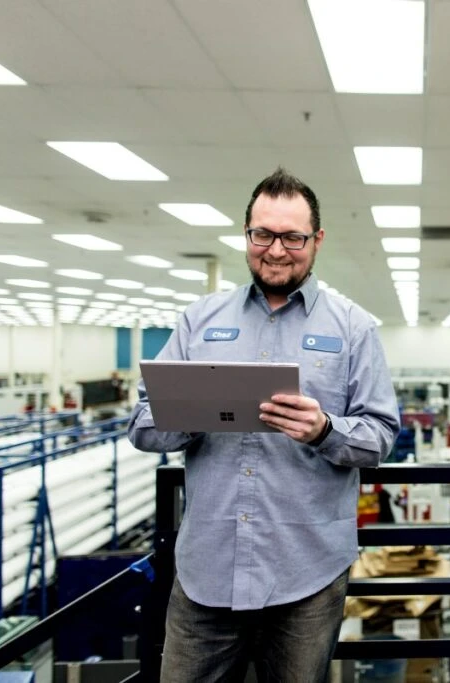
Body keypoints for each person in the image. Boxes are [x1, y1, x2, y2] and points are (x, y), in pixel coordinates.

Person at [127, 167, 400, 682]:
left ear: (316, 240)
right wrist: (189, 415)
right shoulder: (199, 321)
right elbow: (142, 425)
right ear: (246, 235)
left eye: (292, 237)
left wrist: (324, 430)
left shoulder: (354, 329)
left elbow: (381, 435)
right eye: (262, 235)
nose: (276, 251)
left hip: (308, 574)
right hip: (208, 568)